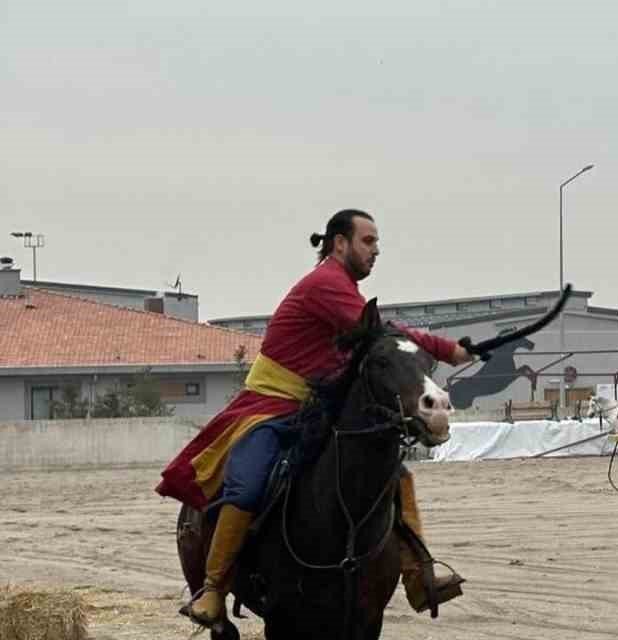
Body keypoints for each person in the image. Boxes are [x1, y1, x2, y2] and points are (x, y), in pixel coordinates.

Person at [156, 209, 471, 627]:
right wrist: (448, 350)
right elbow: (382, 334)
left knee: (395, 474)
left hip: (315, 406)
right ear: (339, 243)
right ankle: (213, 588)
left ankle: (417, 573)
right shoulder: (327, 284)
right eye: (368, 241)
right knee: (247, 482)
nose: (376, 250)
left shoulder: (344, 290)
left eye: (377, 242)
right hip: (269, 404)